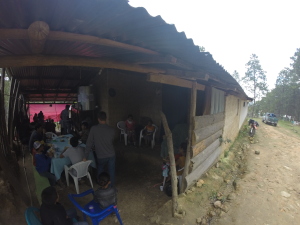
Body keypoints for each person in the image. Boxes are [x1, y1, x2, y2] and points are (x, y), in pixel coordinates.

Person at [84, 111, 116, 186]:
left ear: (98, 119)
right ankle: (111, 187)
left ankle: (101, 185)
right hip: (111, 154)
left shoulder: (94, 129)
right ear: (106, 118)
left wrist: (85, 156)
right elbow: (111, 141)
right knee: (111, 171)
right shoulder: (112, 130)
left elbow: (89, 143)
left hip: (101, 155)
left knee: (100, 170)